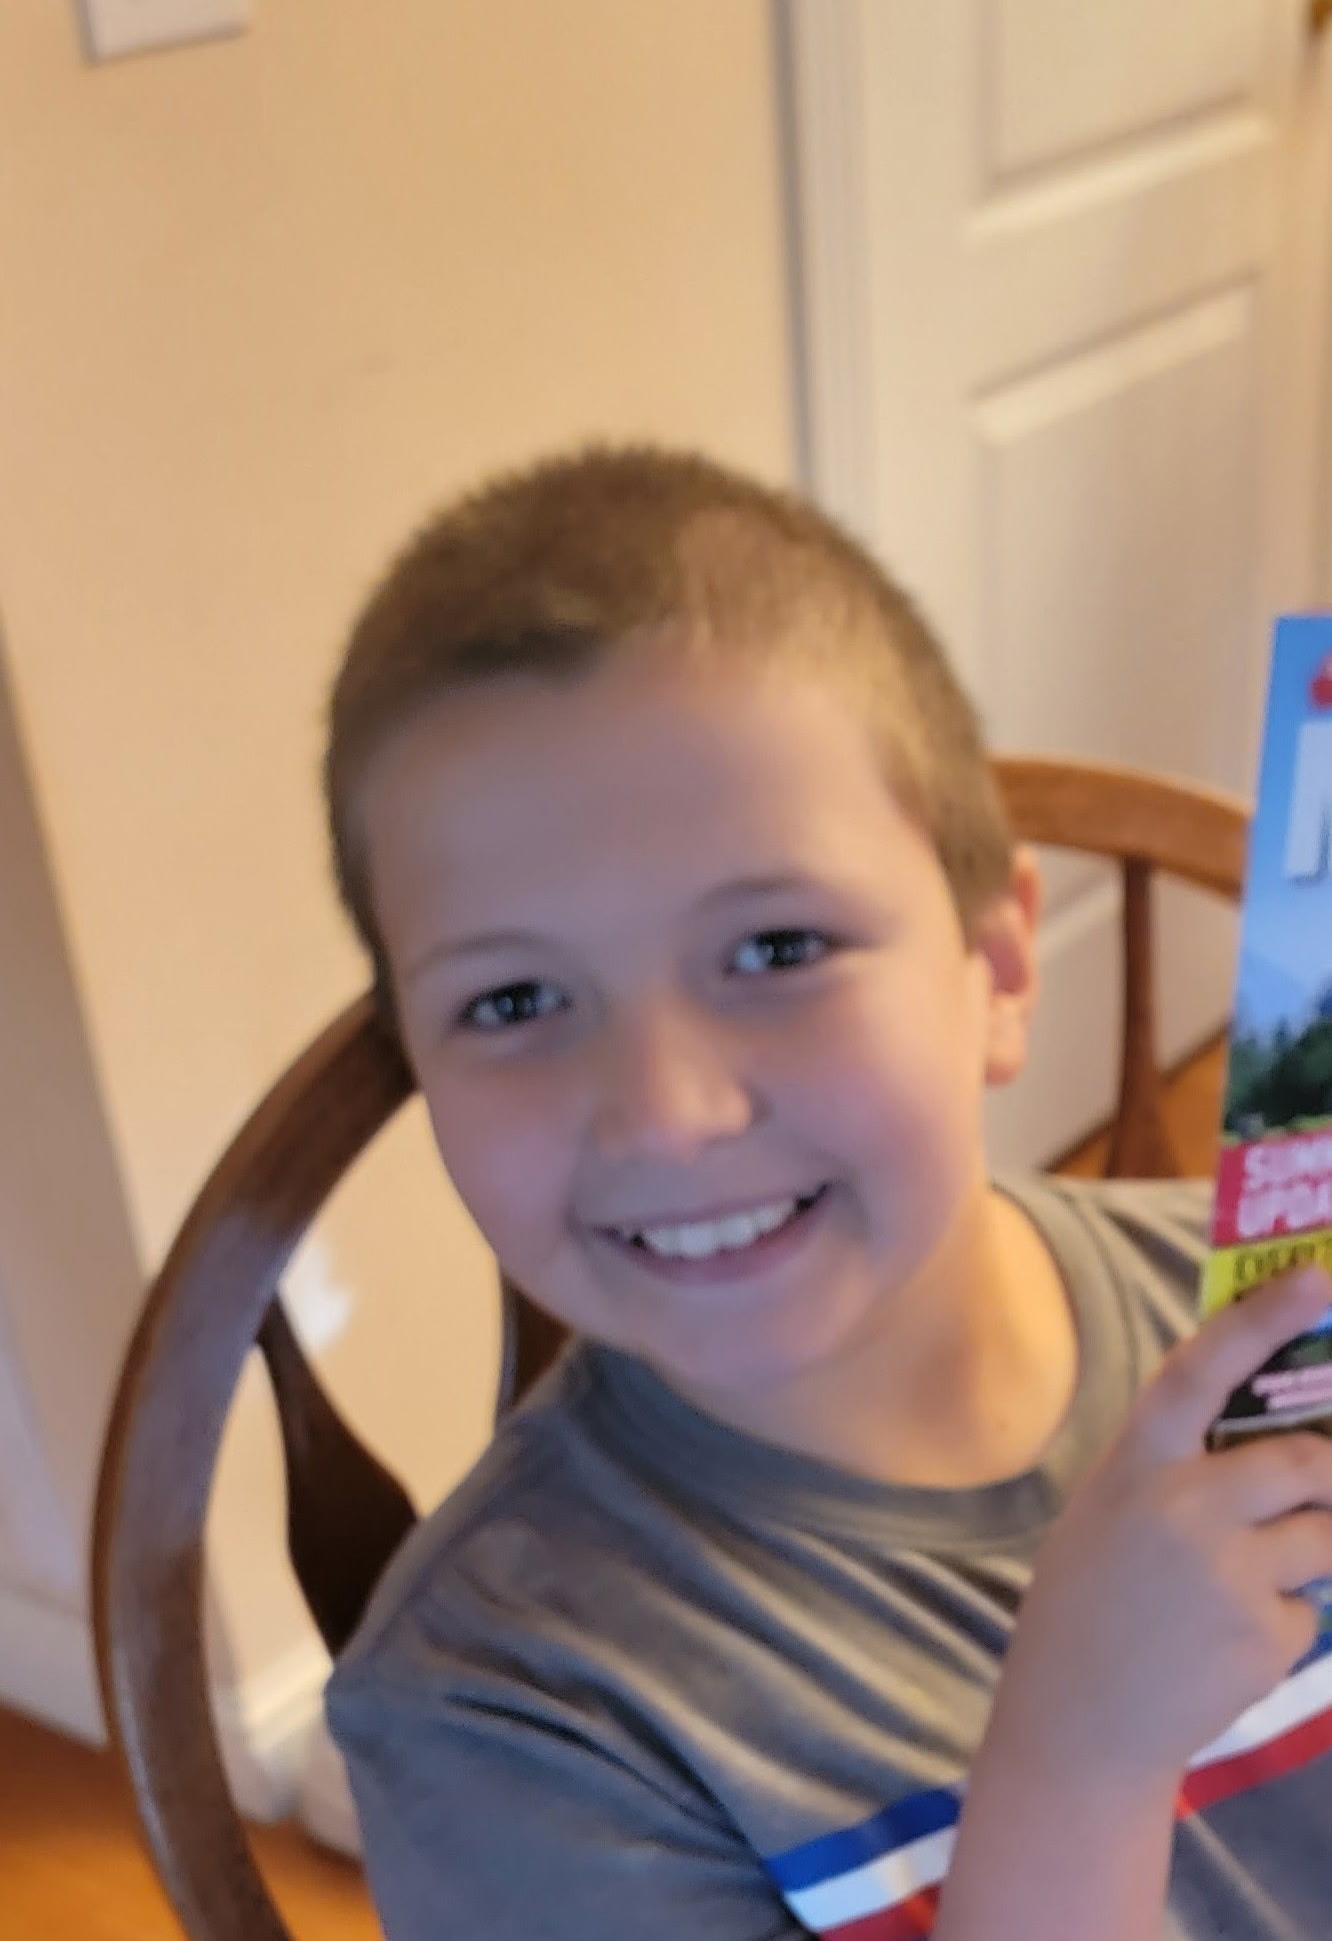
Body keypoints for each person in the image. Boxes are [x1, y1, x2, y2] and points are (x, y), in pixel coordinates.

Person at [320, 445, 1332, 1940]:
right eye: (515, 1000)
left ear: (996, 969)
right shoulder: (499, 1710)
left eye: (778, 949)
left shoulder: (1281, 1321)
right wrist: (1081, 1762)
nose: (669, 1116)